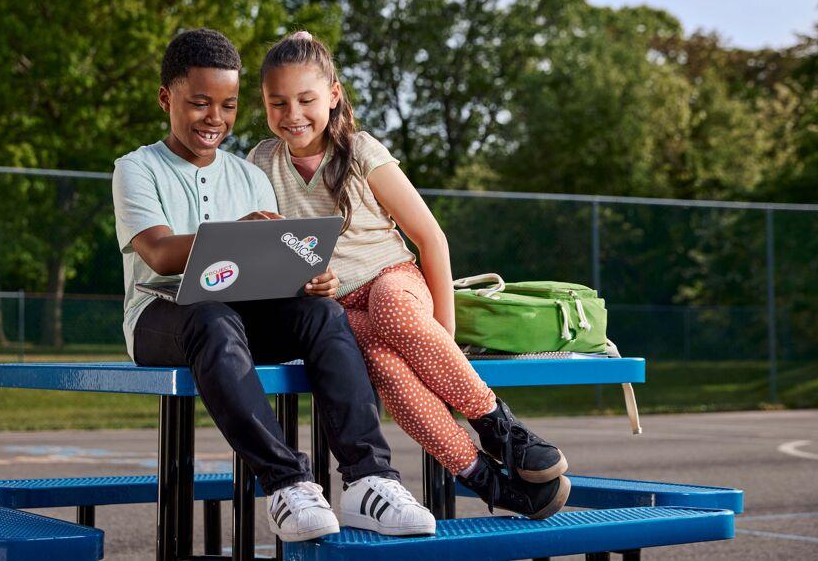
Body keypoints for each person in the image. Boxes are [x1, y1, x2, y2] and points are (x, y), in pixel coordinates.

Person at [111, 28, 434, 542]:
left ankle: (370, 481)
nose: (214, 119)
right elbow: (159, 251)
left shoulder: (250, 175)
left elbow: (277, 262)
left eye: (228, 105)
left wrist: (311, 276)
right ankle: (288, 485)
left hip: (236, 317)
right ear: (165, 98)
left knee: (323, 314)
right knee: (211, 318)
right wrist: (235, 234)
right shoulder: (137, 168)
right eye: (199, 104)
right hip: (162, 318)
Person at [248, 31, 571, 519]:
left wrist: (444, 336)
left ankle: (503, 431)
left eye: (306, 99)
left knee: (395, 313)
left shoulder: (359, 151)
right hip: (333, 308)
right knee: (388, 371)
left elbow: (431, 238)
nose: (292, 113)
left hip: (392, 281)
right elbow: (273, 257)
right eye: (278, 102)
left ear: (334, 95)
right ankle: (486, 481)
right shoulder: (260, 163)